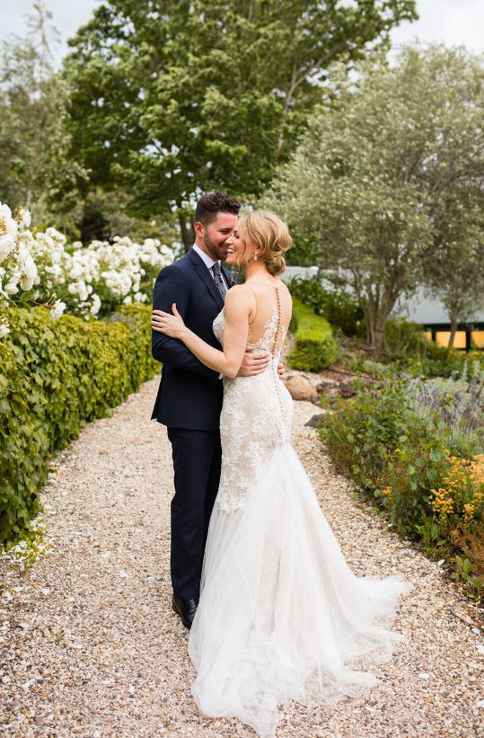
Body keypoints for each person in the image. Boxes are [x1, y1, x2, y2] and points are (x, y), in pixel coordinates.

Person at [152, 209, 412, 738]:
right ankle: (281, 597)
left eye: (240, 235)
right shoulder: (283, 293)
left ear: (253, 246)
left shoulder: (240, 295)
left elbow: (228, 365)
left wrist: (182, 330)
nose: (232, 241)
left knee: (243, 500)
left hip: (246, 403)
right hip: (272, 400)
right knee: (273, 494)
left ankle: (250, 608)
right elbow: (265, 354)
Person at [151, 192, 273, 631]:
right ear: (200, 229)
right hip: (189, 412)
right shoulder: (176, 275)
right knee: (190, 502)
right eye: (224, 231)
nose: (230, 238)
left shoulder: (228, 277)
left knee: (217, 499)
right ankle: (185, 594)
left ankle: (210, 577)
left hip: (229, 413)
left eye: (235, 231)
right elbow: (161, 345)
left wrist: (236, 369)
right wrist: (224, 370)